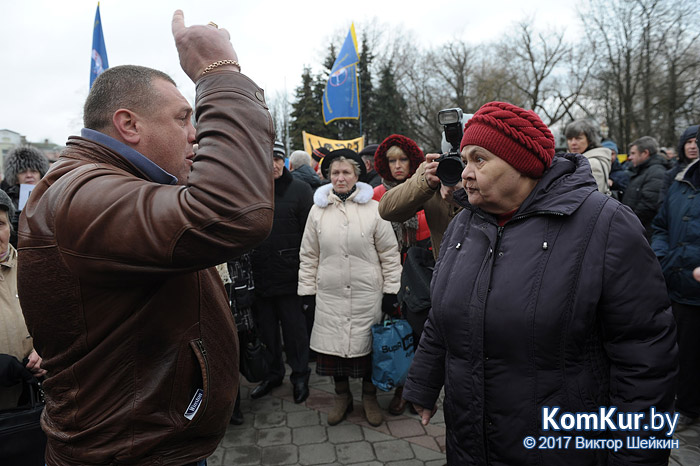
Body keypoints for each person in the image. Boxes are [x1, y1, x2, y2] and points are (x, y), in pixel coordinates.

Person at [17, 11, 274, 466]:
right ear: (129, 125)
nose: (195, 134)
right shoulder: (82, 195)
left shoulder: (104, 184)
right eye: (182, 119)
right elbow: (231, 211)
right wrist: (219, 73)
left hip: (148, 446)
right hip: (132, 454)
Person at [403, 101, 677, 465]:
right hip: (471, 440)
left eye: (479, 160)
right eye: (465, 160)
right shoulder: (463, 225)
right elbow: (444, 313)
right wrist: (423, 383)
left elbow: (644, 356)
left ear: (522, 164)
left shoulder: (606, 225)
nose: (464, 174)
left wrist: (634, 455)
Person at [298, 149, 401, 427]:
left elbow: (389, 254)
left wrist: (391, 291)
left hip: (368, 296)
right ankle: (341, 397)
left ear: (357, 175)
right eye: (335, 173)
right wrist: (306, 292)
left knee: (368, 352)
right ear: (327, 176)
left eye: (346, 172)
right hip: (329, 296)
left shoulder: (374, 210)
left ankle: (369, 397)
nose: (340, 178)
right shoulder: (317, 212)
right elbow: (309, 255)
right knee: (333, 352)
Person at [249, 143, 313, 404]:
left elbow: (311, 236)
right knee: (266, 333)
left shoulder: (300, 190)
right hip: (260, 277)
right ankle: (273, 374)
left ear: (284, 161)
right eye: (268, 158)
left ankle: (300, 376)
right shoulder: (251, 189)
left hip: (290, 277)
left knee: (295, 332)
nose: (273, 164)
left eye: (277, 158)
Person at [371, 134, 429, 416]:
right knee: (400, 334)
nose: (397, 165)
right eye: (392, 160)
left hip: (421, 273)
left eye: (402, 159)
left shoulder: (426, 188)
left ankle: (417, 391)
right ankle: (401, 390)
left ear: (412, 160)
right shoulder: (377, 195)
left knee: (421, 335)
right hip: (391, 274)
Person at [652, 133, 700, 431]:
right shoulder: (681, 181)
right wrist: (662, 258)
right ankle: (687, 406)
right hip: (680, 286)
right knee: (685, 351)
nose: (693, 145)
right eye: (690, 141)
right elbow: (661, 225)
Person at [0, 146, 50, 248]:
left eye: (34, 171)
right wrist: (14, 224)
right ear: (15, 177)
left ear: (41, 174)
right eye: (23, 171)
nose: (29, 175)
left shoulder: (51, 196)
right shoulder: (6, 199)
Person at [621, 136, 669, 240]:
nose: (630, 157)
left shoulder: (656, 172)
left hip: (645, 234)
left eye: (633, 153)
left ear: (645, 153)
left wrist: (627, 222)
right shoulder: (642, 171)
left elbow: (648, 205)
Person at [565, 119, 612, 195]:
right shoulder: (574, 160)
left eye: (578, 138)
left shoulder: (592, 163)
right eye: (570, 139)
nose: (573, 143)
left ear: (590, 140)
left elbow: (590, 197)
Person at [660, 125, 698, 201]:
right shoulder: (671, 175)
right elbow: (663, 205)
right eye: (689, 142)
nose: (692, 146)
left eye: (697, 142)